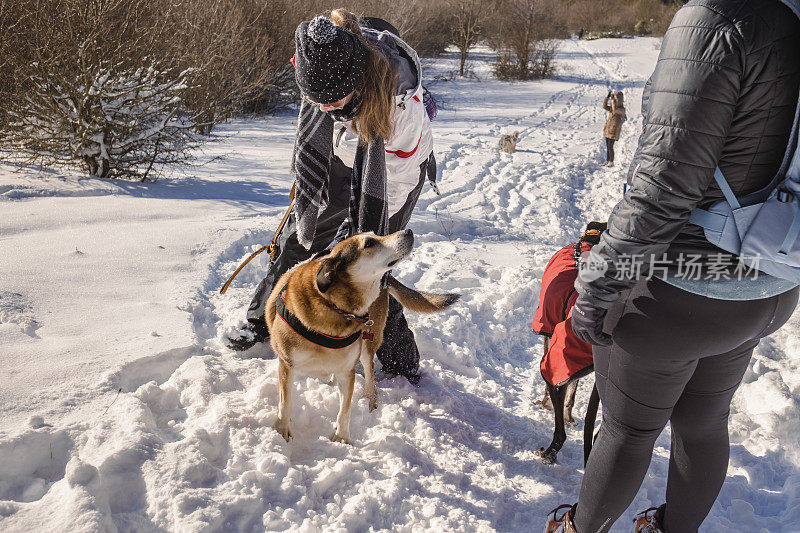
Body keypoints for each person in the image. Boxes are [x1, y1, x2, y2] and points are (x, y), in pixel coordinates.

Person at [545, 0, 800, 531]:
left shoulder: (716, 19)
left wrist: (597, 288)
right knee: (704, 424)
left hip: (678, 294)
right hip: (770, 283)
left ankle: (577, 529)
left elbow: (664, 187)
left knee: (628, 430)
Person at [226, 10, 435, 385]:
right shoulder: (324, 59)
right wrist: (311, 183)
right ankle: (262, 320)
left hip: (390, 176)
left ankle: (401, 362)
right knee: (298, 241)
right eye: (316, 101)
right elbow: (321, 118)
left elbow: (398, 181)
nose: (324, 109)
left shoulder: (400, 110)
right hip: (338, 159)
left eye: (333, 101)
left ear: (358, 81)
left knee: (371, 266)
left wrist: (367, 232)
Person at [601, 90, 624, 167]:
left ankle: (611, 161)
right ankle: (607, 160)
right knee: (608, 145)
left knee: (611, 146)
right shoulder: (612, 108)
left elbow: (614, 110)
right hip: (608, 129)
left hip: (614, 130)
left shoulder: (621, 109)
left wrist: (613, 100)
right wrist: (607, 98)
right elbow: (604, 106)